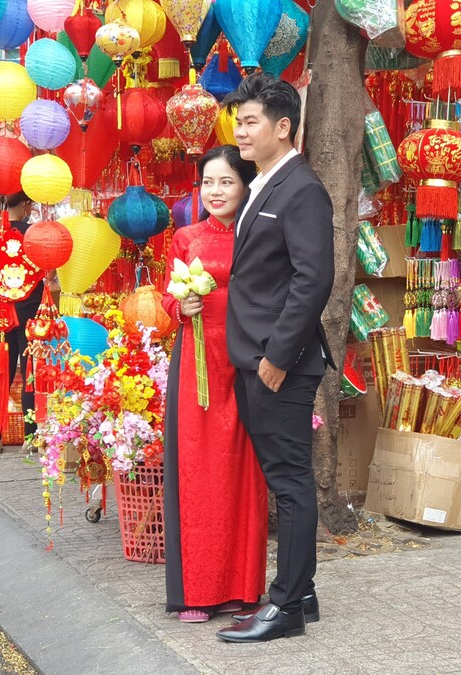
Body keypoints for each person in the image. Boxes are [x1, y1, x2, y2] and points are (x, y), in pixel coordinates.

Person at [217, 74, 335, 644]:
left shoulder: (301, 188)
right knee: (281, 479)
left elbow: (314, 280)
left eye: (250, 121)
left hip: (279, 361)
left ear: (283, 127)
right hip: (257, 354)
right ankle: (300, 591)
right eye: (238, 121)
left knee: (290, 483)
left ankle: (286, 605)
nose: (239, 131)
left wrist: (276, 357)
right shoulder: (264, 181)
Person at [161, 145, 268, 624]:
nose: (215, 191)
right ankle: (199, 590)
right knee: (200, 468)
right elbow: (168, 297)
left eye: (225, 181)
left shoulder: (256, 234)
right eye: (207, 182)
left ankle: (243, 589)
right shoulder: (185, 238)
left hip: (247, 361)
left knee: (245, 469)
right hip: (199, 360)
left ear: (245, 185)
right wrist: (178, 309)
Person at [0, 191, 41, 455]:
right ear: (27, 204)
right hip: (29, 311)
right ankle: (32, 439)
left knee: (0, 373)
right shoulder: (32, 235)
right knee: (30, 374)